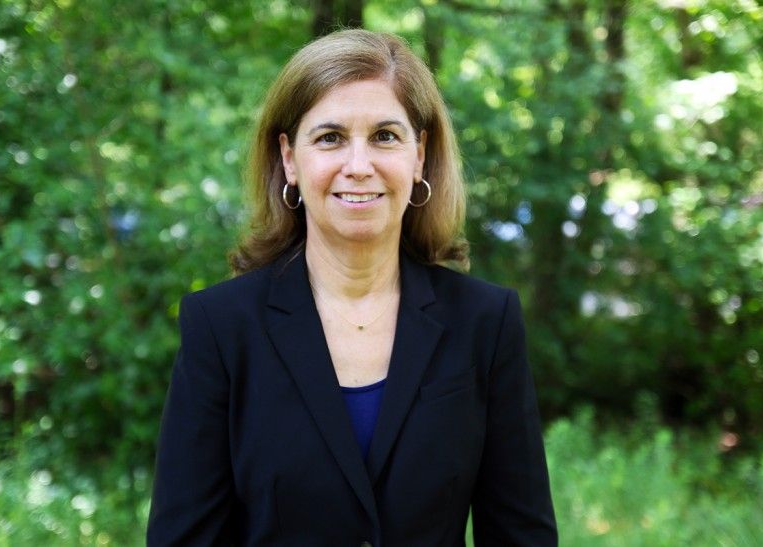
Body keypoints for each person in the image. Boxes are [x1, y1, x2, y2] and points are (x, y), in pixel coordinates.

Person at [147, 29, 557, 546]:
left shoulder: (485, 322)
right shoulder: (222, 327)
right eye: (330, 138)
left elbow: (522, 536)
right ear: (290, 159)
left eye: (385, 135)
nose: (358, 166)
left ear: (419, 154)